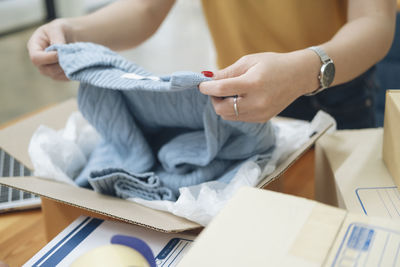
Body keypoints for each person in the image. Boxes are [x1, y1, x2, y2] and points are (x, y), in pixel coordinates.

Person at [27, 0, 397, 129]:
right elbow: (146, 8)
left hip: (333, 86)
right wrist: (73, 33)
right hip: (240, 97)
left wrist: (303, 72)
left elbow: (375, 22)